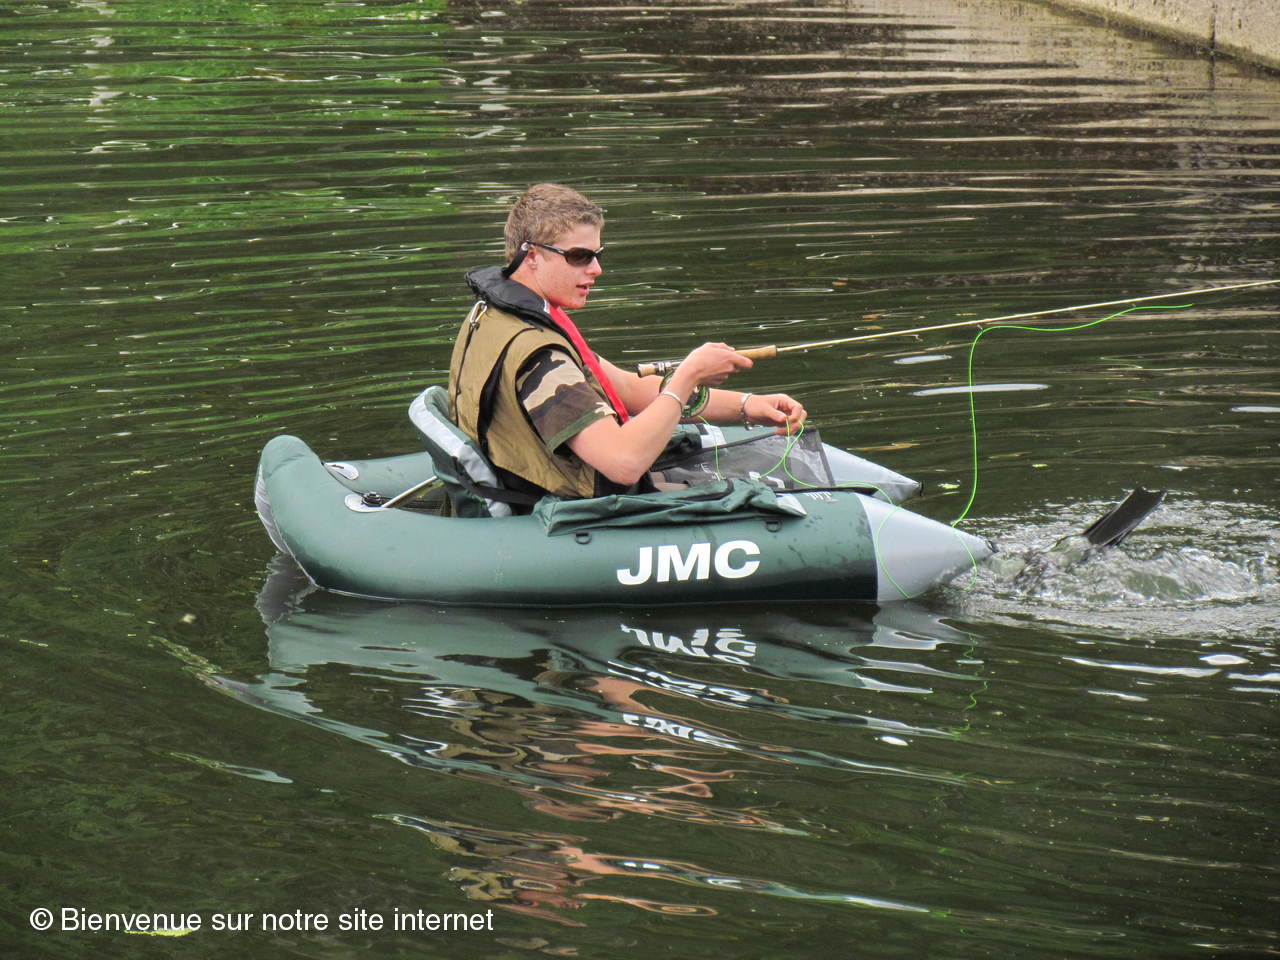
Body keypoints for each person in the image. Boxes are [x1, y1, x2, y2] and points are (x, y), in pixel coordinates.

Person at [447, 183, 807, 505]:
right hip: (571, 511)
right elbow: (623, 463)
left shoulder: (501, 315)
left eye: (597, 255)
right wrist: (688, 376)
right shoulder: (541, 358)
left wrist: (748, 405)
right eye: (579, 256)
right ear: (532, 256)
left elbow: (626, 387)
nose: (596, 269)